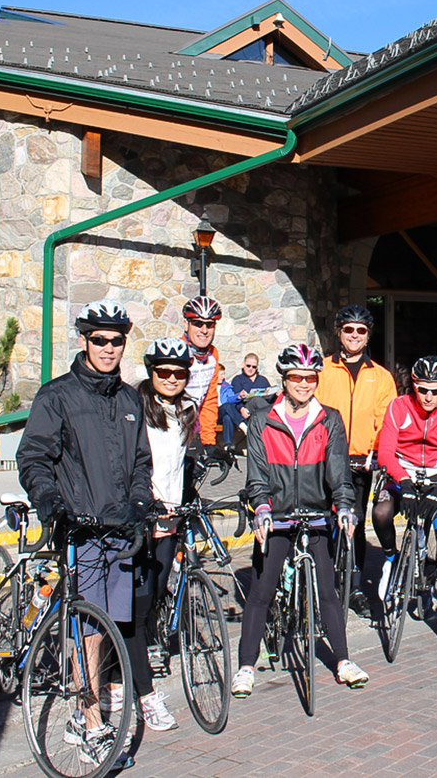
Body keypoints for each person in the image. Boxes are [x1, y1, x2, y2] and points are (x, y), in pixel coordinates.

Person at [16, 299, 158, 763]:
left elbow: (140, 461)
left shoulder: (129, 398)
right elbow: (33, 457)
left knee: (106, 625)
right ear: (84, 340)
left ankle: (87, 706)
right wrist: (50, 504)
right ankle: (89, 718)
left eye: (116, 340)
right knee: (88, 625)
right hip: (78, 526)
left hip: (119, 527)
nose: (109, 348)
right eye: (99, 339)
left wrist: (140, 500)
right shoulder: (57, 396)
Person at [231, 343, 370, 698]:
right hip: (276, 515)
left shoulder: (330, 419)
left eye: (310, 378)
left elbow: (338, 473)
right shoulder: (263, 420)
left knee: (328, 590)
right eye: (297, 377)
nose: (304, 384)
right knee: (261, 591)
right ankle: (246, 666)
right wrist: (261, 507)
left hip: (315, 513)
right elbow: (257, 475)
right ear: (284, 379)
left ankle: (342, 660)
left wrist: (343, 507)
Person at [373, 355, 437, 660]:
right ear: (414, 386)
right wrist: (401, 482)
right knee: (381, 513)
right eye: (423, 389)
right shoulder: (398, 407)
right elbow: (386, 452)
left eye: (436, 390)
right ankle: (391, 558)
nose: (429, 397)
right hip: (400, 474)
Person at [315, 304, 397, 618]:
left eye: (360, 330)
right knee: (322, 522)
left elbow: (385, 421)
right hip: (325, 458)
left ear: (367, 335)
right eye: (348, 329)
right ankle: (324, 585)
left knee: (356, 525)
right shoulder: (323, 369)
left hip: (362, 461)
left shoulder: (380, 376)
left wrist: (376, 454)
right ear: (339, 332)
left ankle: (355, 586)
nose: (354, 335)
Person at [136, 337, 199, 722]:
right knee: (140, 598)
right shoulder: (136, 405)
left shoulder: (187, 409)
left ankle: (138, 654)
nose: (172, 378)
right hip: (143, 513)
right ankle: (136, 681)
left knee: (157, 591)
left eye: (179, 373)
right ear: (151, 373)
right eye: (164, 372)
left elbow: (180, 462)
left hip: (170, 513)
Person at [180, 294, 224, 448]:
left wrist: (208, 442)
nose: (204, 330)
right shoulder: (177, 352)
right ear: (186, 324)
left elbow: (209, 400)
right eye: (198, 324)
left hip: (193, 430)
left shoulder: (213, 355)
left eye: (210, 324)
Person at [220, 353, 273, 446]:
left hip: (261, 411)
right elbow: (234, 399)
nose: (250, 369)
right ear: (243, 364)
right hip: (246, 409)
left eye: (254, 367)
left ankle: (272, 422)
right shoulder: (238, 380)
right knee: (256, 400)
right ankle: (274, 421)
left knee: (261, 401)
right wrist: (241, 408)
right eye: (248, 366)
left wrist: (276, 394)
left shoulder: (262, 380)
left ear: (257, 367)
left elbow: (269, 398)